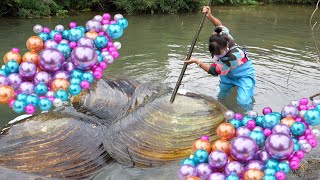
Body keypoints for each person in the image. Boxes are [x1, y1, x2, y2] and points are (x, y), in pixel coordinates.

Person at [185, 6, 255, 110]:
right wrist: (210, 16)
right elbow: (218, 25)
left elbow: (212, 71)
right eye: (215, 54)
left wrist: (197, 61)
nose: (217, 56)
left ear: (226, 46)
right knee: (221, 97)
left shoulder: (230, 58)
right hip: (227, 74)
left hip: (243, 74)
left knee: (243, 102)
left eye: (219, 54)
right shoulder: (223, 35)